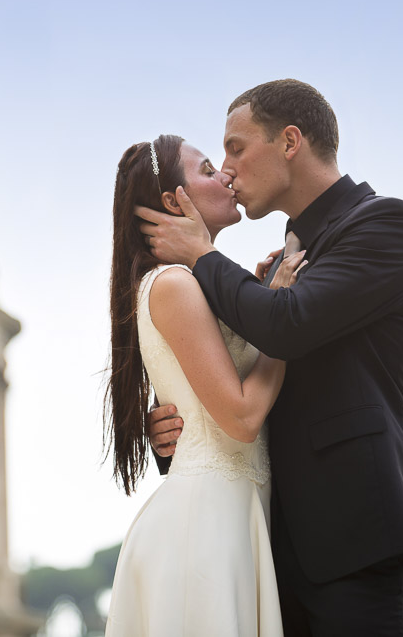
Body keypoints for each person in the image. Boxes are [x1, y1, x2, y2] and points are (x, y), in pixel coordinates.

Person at [137, 80, 403, 636]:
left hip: (357, 540)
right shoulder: (278, 265)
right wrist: (178, 427)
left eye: (235, 148)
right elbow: (237, 380)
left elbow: (288, 326)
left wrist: (203, 254)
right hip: (264, 550)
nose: (226, 170)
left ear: (291, 141)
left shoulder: (385, 225)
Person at [103, 135, 300, 636]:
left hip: (233, 516)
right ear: (175, 201)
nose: (227, 176)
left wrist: (256, 303)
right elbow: (241, 417)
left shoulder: (197, 285)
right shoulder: (173, 285)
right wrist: (279, 321)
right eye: (210, 169)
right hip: (204, 529)